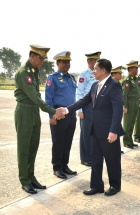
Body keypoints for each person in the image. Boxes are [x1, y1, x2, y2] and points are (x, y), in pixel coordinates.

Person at [64, 58, 124, 196]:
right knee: (96, 160)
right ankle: (96, 186)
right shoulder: (95, 85)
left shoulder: (114, 85)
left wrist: (114, 130)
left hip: (109, 131)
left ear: (103, 70)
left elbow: (118, 109)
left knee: (112, 160)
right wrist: (67, 110)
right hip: (95, 130)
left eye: (96, 69)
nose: (93, 71)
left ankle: (115, 185)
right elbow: (83, 101)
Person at [14, 44, 65, 194]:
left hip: (34, 111)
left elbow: (36, 98)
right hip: (24, 111)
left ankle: (31, 176)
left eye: (44, 58)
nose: (43, 61)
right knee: (24, 148)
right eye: (41, 58)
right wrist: (53, 111)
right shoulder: (24, 72)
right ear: (32, 56)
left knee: (33, 146)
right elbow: (35, 97)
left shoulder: (34, 71)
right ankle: (24, 180)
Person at [45, 51, 77, 179]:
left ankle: (65, 165)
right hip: (58, 114)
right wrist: (51, 116)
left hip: (71, 113)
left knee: (67, 141)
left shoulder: (71, 78)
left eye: (68, 62)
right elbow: (48, 99)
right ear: (57, 63)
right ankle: (57, 167)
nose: (67, 64)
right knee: (58, 141)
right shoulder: (52, 78)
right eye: (64, 62)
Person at [76, 52, 101, 167]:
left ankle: (92, 155)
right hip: (86, 106)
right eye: (95, 61)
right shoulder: (84, 74)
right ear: (89, 62)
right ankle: (85, 158)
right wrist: (80, 110)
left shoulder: (99, 74)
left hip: (96, 105)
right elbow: (79, 92)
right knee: (85, 132)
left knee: (94, 132)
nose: (97, 63)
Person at [121, 61, 140, 149]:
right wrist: (125, 106)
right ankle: (126, 141)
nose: (137, 70)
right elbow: (124, 94)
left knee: (132, 122)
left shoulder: (134, 80)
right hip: (129, 103)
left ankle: (130, 140)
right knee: (127, 123)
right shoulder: (127, 80)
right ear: (131, 69)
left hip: (135, 102)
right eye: (136, 68)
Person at [111, 66, 124, 154]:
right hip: (112, 111)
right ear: (114, 74)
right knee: (113, 130)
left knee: (117, 129)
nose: (121, 75)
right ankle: (114, 150)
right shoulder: (112, 84)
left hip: (117, 110)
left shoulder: (117, 83)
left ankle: (117, 149)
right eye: (119, 73)